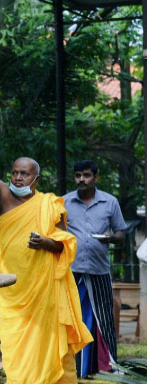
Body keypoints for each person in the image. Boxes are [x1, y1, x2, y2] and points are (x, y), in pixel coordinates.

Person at [0, 123, 92, 384]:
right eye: (14, 173)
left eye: (24, 174)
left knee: (47, 344)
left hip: (43, 292)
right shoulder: (3, 193)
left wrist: (46, 242)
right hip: (13, 290)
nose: (17, 178)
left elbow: (65, 243)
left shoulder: (50, 204)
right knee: (15, 344)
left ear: (36, 179)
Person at [63, 160, 127, 377]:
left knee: (104, 320)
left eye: (87, 175)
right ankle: (74, 369)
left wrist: (111, 238)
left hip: (99, 271)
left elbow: (121, 233)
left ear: (95, 178)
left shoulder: (110, 202)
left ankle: (108, 367)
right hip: (72, 272)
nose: (82, 179)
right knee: (73, 321)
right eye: (78, 175)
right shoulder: (64, 202)